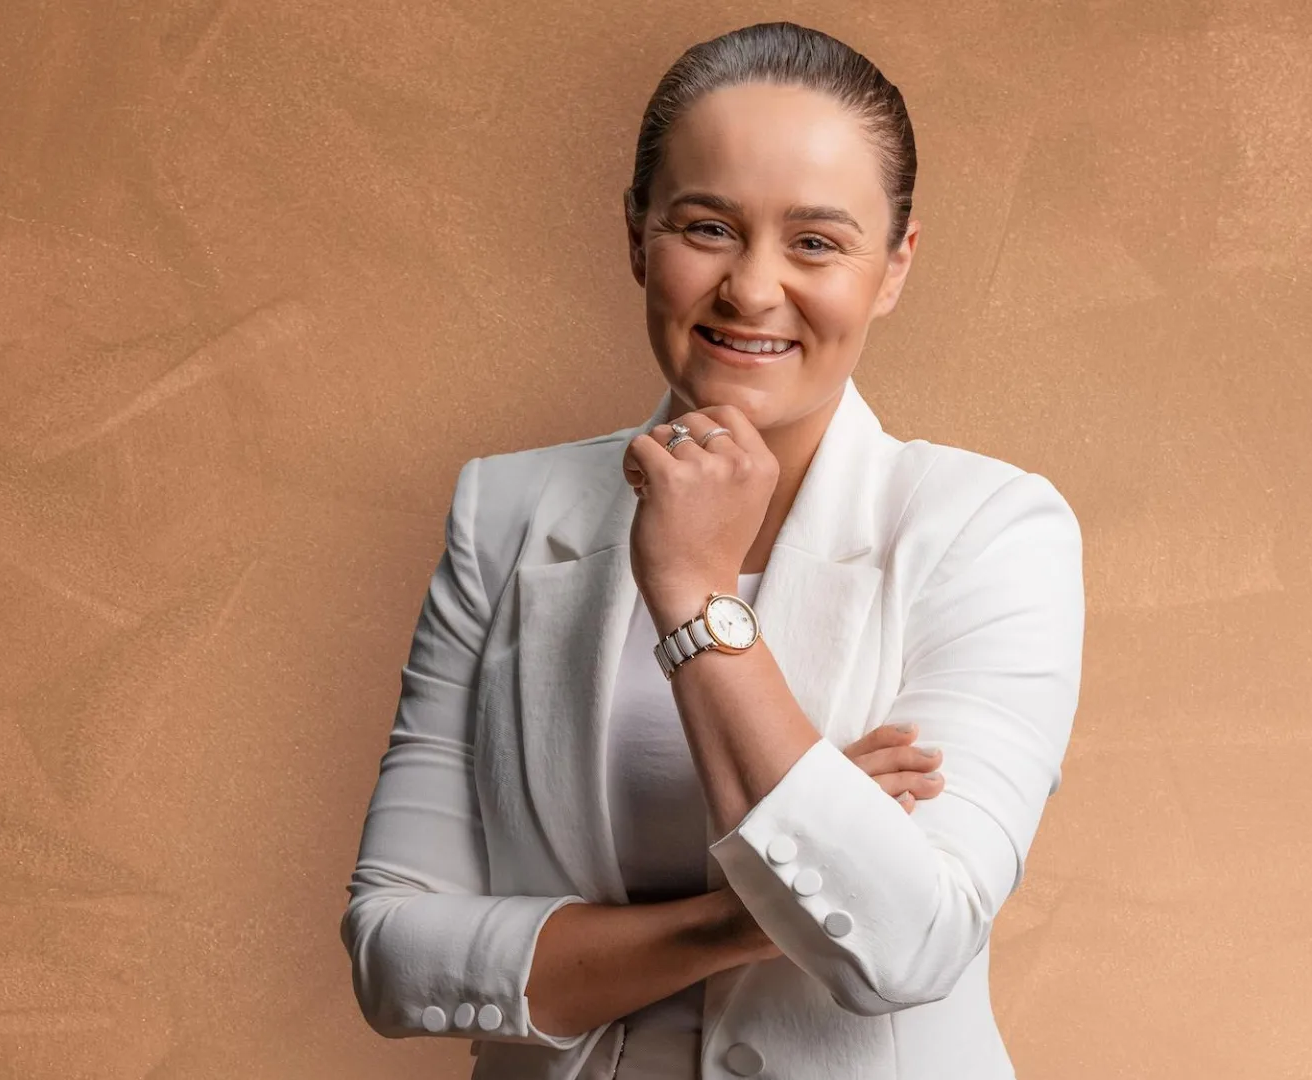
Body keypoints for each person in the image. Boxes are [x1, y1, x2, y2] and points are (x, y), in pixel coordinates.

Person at [340, 20, 1085, 1080]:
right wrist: (750, 911)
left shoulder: (991, 530)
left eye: (817, 242)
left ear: (894, 268)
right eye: (707, 227)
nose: (751, 288)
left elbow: (912, 944)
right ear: (636, 236)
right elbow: (394, 953)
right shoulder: (502, 512)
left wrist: (692, 594)